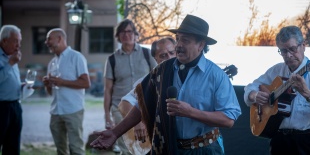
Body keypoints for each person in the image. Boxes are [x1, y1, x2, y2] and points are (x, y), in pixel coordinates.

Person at [91, 14, 242, 154]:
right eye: (178, 39)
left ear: (201, 45)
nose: (179, 45)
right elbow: (141, 104)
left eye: (186, 40)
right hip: (169, 149)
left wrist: (191, 112)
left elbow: (228, 120)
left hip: (205, 150)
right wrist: (115, 133)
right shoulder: (162, 70)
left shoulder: (217, 76)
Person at [244, 26, 310, 155]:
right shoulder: (277, 70)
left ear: (303, 46)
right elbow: (250, 87)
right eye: (283, 51)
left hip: (309, 141)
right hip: (280, 141)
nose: (288, 55)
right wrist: (254, 95)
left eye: (292, 49)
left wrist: (308, 94)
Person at [103, 19, 157, 154]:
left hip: (144, 108)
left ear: (135, 34)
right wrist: (107, 115)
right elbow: (108, 89)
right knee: (126, 148)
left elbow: (157, 79)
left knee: (147, 147)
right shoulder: (112, 59)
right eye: (122, 32)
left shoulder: (147, 54)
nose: (126, 34)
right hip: (119, 109)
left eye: (129, 31)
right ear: (118, 36)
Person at [118, 37, 177, 154]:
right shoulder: (148, 81)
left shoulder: (187, 78)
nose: (169, 58)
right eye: (163, 55)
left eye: (171, 53)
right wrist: (138, 123)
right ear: (155, 59)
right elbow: (124, 103)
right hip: (157, 145)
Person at [42, 28, 91, 155]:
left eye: (49, 39)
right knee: (60, 150)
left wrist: (62, 82)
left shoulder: (76, 57)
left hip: (73, 110)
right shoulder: (52, 62)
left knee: (76, 149)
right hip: (56, 112)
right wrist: (47, 85)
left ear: (59, 39)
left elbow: (86, 83)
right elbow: (51, 92)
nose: (46, 42)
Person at [0, 25, 23, 155]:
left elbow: (10, 81)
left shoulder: (12, 57)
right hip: (1, 107)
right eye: (15, 41)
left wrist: (22, 86)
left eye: (20, 41)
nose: (18, 45)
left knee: (13, 147)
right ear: (4, 41)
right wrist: (10, 64)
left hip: (15, 107)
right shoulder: (11, 60)